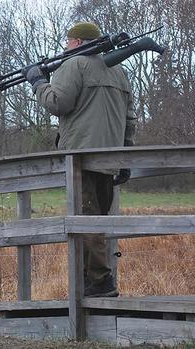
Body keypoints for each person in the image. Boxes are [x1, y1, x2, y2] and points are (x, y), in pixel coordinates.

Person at [24, 22, 136, 298]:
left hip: (82, 159)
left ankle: (100, 282)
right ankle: (92, 282)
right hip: (111, 157)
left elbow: (57, 103)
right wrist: (125, 155)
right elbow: (130, 119)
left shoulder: (73, 65)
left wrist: (38, 82)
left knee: (87, 221)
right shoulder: (119, 71)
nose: (65, 46)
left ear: (76, 42)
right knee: (99, 220)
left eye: (67, 41)